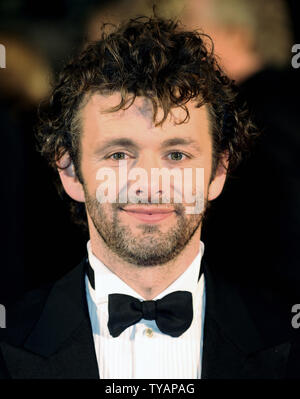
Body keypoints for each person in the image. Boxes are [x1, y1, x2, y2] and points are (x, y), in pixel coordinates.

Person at [0, 16, 297, 379]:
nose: (149, 184)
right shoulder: (9, 340)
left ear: (218, 172)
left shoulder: (286, 339)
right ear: (70, 172)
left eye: (176, 155)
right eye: (119, 155)